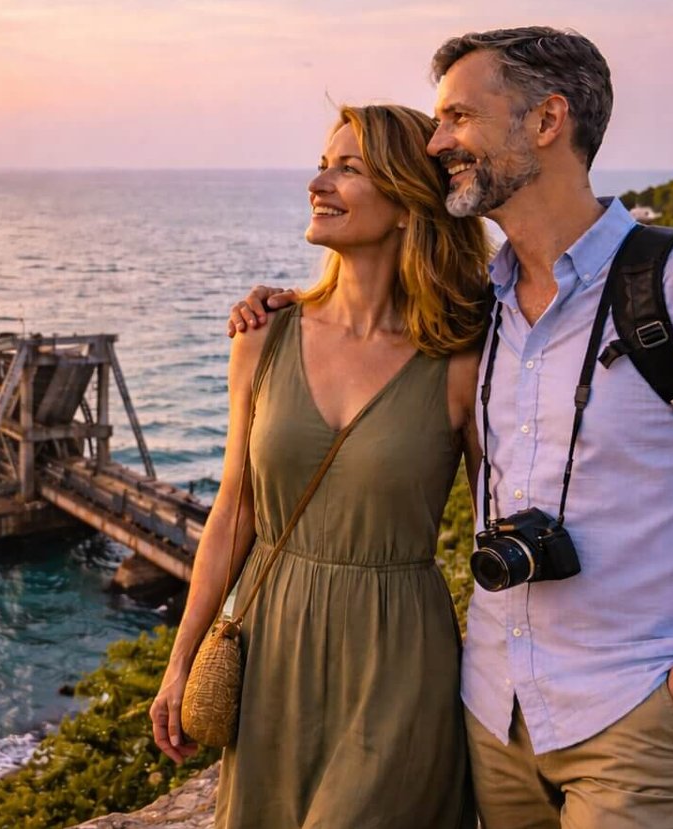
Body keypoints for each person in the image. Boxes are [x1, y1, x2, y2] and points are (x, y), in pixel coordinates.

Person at [229, 26, 673, 829]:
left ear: (547, 120)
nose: (436, 141)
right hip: (495, 716)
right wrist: (284, 307)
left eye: (457, 118)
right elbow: (368, 334)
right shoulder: (476, 314)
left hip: (642, 717)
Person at [148, 103, 492, 828]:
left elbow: (501, 514)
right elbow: (233, 512)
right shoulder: (264, 335)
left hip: (397, 658)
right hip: (270, 648)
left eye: (348, 169)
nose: (318, 182)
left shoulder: (461, 358)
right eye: (321, 163)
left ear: (406, 203)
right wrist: (180, 662)